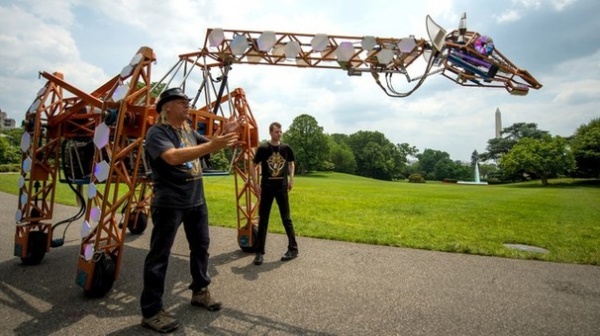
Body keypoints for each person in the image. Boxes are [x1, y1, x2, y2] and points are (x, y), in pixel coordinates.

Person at [140, 87, 239, 333]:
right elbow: (172, 157)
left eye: (187, 101)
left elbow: (210, 146)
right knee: (159, 257)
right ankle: (152, 312)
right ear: (167, 107)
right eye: (182, 102)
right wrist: (212, 145)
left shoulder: (187, 131)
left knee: (201, 249)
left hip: (196, 200)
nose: (187, 105)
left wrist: (224, 134)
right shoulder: (157, 133)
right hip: (170, 202)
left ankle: (200, 292)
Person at [250, 122, 299, 266]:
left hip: (281, 188)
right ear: (271, 132)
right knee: (263, 219)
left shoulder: (286, 148)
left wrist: (291, 178)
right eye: (277, 131)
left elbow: (291, 163)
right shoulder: (264, 148)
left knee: (286, 218)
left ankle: (293, 249)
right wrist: (255, 183)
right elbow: (253, 166)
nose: (279, 133)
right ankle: (259, 253)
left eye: (280, 131)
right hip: (267, 187)